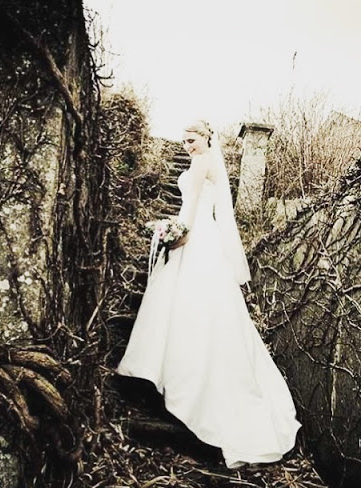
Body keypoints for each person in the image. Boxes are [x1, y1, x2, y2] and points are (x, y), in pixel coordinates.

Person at [117, 120, 301, 469]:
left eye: (192, 140)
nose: (188, 146)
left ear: (206, 138)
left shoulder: (202, 163)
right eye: (184, 141)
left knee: (190, 307)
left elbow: (191, 210)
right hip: (203, 235)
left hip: (197, 237)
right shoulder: (203, 162)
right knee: (191, 306)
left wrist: (177, 235)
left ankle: (181, 379)